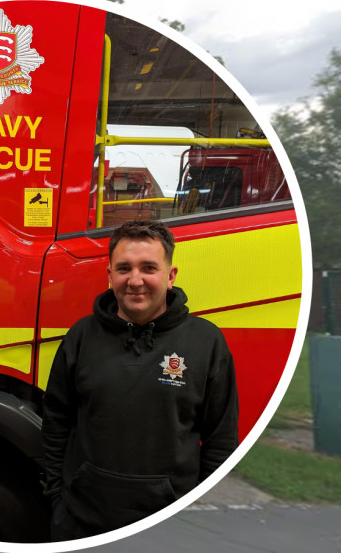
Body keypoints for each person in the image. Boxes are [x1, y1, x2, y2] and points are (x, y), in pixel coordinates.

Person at [41, 219, 238, 540]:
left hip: (168, 531)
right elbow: (55, 424)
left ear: (170, 276)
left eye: (149, 267)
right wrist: (57, 500)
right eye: (123, 268)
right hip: (80, 523)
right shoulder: (81, 336)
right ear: (109, 276)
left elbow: (221, 442)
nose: (135, 280)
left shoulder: (206, 342)